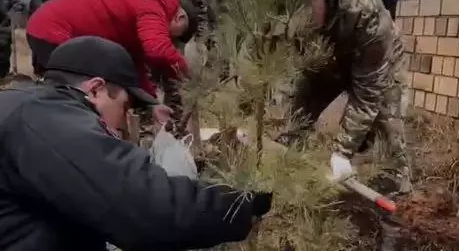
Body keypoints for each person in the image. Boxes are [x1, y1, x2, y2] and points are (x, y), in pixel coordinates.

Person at [0, 36, 273, 250]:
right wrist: (242, 205)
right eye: (125, 106)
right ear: (96, 89)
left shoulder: (29, 106)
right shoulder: (46, 120)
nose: (123, 121)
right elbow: (145, 206)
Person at [277, 0, 411, 196]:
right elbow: (297, 69)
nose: (302, 16)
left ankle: (395, 181)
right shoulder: (302, 17)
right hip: (335, 55)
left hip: (378, 58)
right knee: (304, 94)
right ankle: (291, 155)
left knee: (386, 115)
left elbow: (368, 93)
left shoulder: (366, 13)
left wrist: (342, 151)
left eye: (307, 5)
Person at [25, 0, 190, 120]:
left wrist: (152, 104)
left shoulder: (138, 18)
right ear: (180, 17)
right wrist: (189, 75)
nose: (170, 39)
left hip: (46, 29)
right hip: (52, 31)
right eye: (176, 35)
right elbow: (157, 49)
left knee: (75, 97)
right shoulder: (151, 3)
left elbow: (133, 68)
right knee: (76, 98)